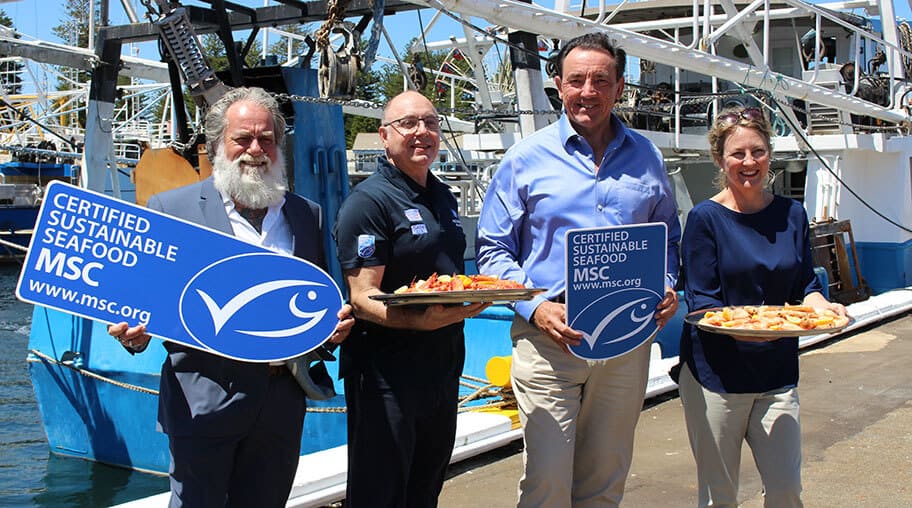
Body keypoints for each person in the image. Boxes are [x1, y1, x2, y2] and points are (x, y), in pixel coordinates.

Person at [107, 86, 355, 507]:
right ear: (217, 144)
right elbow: (143, 304)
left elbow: (311, 301)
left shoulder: (305, 214)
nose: (255, 150)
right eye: (243, 138)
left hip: (280, 403)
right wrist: (134, 336)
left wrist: (329, 331)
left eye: (266, 139)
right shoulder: (172, 209)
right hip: (203, 400)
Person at [475, 33, 681, 507]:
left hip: (626, 339)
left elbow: (667, 238)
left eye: (601, 81)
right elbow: (493, 251)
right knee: (546, 481)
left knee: (605, 481)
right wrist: (536, 306)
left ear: (620, 87)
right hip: (550, 337)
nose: (588, 91)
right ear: (558, 84)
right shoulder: (524, 159)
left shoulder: (647, 157)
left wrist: (667, 284)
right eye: (577, 80)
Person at [676, 106, 847, 508]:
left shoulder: (792, 214)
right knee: (719, 499)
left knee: (786, 490)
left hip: (777, 372)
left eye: (758, 151)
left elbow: (805, 286)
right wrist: (754, 328)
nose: (749, 162)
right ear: (720, 159)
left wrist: (825, 308)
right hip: (716, 376)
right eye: (737, 154)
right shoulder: (704, 219)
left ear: (770, 153)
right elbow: (703, 304)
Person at [332, 90, 489, 507]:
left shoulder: (442, 195)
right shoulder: (369, 203)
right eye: (408, 123)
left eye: (430, 123)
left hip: (442, 366)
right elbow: (362, 296)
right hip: (387, 375)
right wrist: (417, 321)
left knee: (425, 487)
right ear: (384, 136)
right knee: (380, 494)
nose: (422, 131)